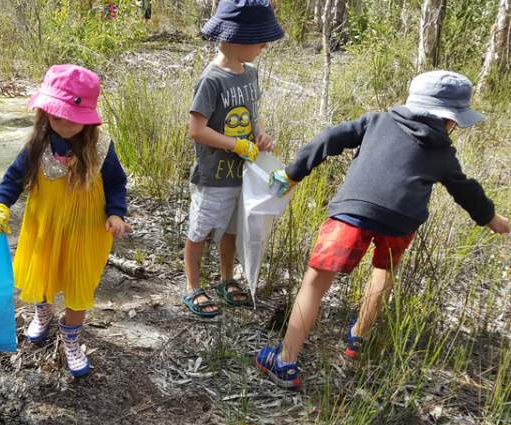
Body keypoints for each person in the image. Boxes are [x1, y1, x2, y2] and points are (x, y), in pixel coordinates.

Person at [257, 70, 511, 389]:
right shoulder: (444, 153)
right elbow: (465, 190)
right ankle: (357, 338)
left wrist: (292, 174)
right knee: (384, 270)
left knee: (315, 283)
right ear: (451, 120)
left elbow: (329, 139)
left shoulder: (375, 121)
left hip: (352, 213)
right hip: (401, 222)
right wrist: (491, 219)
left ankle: (285, 361)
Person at [0, 64, 130, 377]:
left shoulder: (101, 147)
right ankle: (42, 312)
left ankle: (72, 338)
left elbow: (117, 183)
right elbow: (13, 178)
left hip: (86, 231)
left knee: (79, 285)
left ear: (88, 119)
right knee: (41, 274)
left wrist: (116, 213)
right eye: (56, 116)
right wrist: (1, 205)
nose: (63, 124)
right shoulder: (37, 144)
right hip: (44, 227)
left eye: (72, 118)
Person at [182, 0, 282, 317]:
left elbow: (254, 116)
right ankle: (192, 287)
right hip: (213, 176)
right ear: (235, 37)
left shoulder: (250, 75)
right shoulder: (212, 80)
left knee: (231, 229)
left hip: (242, 175)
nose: (264, 45)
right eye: (259, 38)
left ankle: (226, 279)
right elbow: (197, 130)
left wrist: (260, 137)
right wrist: (235, 145)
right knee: (200, 230)